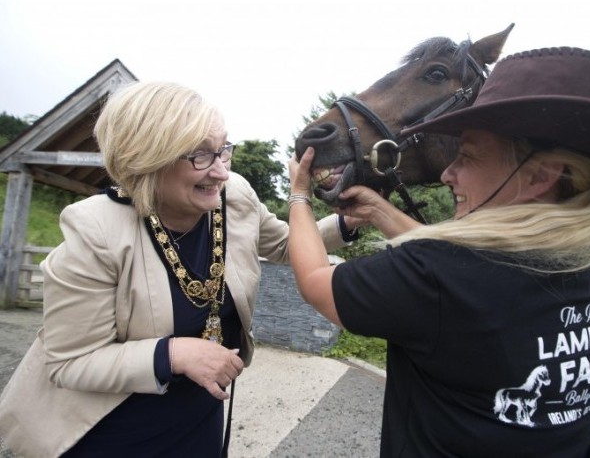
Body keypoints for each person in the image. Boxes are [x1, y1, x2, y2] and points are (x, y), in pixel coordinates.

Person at [287, 47, 590, 457]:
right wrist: (379, 210)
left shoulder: (438, 275)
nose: (448, 173)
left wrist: (299, 197)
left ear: (540, 176)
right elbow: (463, 261)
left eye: (467, 155)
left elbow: (316, 281)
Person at [0, 81, 360, 457]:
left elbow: (287, 245)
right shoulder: (95, 229)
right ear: (147, 158)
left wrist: (347, 222)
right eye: (200, 156)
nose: (220, 171)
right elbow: (71, 361)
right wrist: (173, 355)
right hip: (115, 427)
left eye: (223, 150)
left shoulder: (233, 195)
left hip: (199, 412)